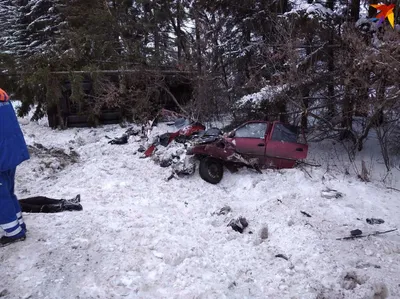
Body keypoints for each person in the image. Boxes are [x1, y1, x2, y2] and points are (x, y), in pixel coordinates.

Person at [0, 88, 30, 246]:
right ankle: (19, 224)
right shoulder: (3, 98)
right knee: (8, 192)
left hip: (2, 155)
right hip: (10, 153)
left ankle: (13, 232)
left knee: (0, 197)